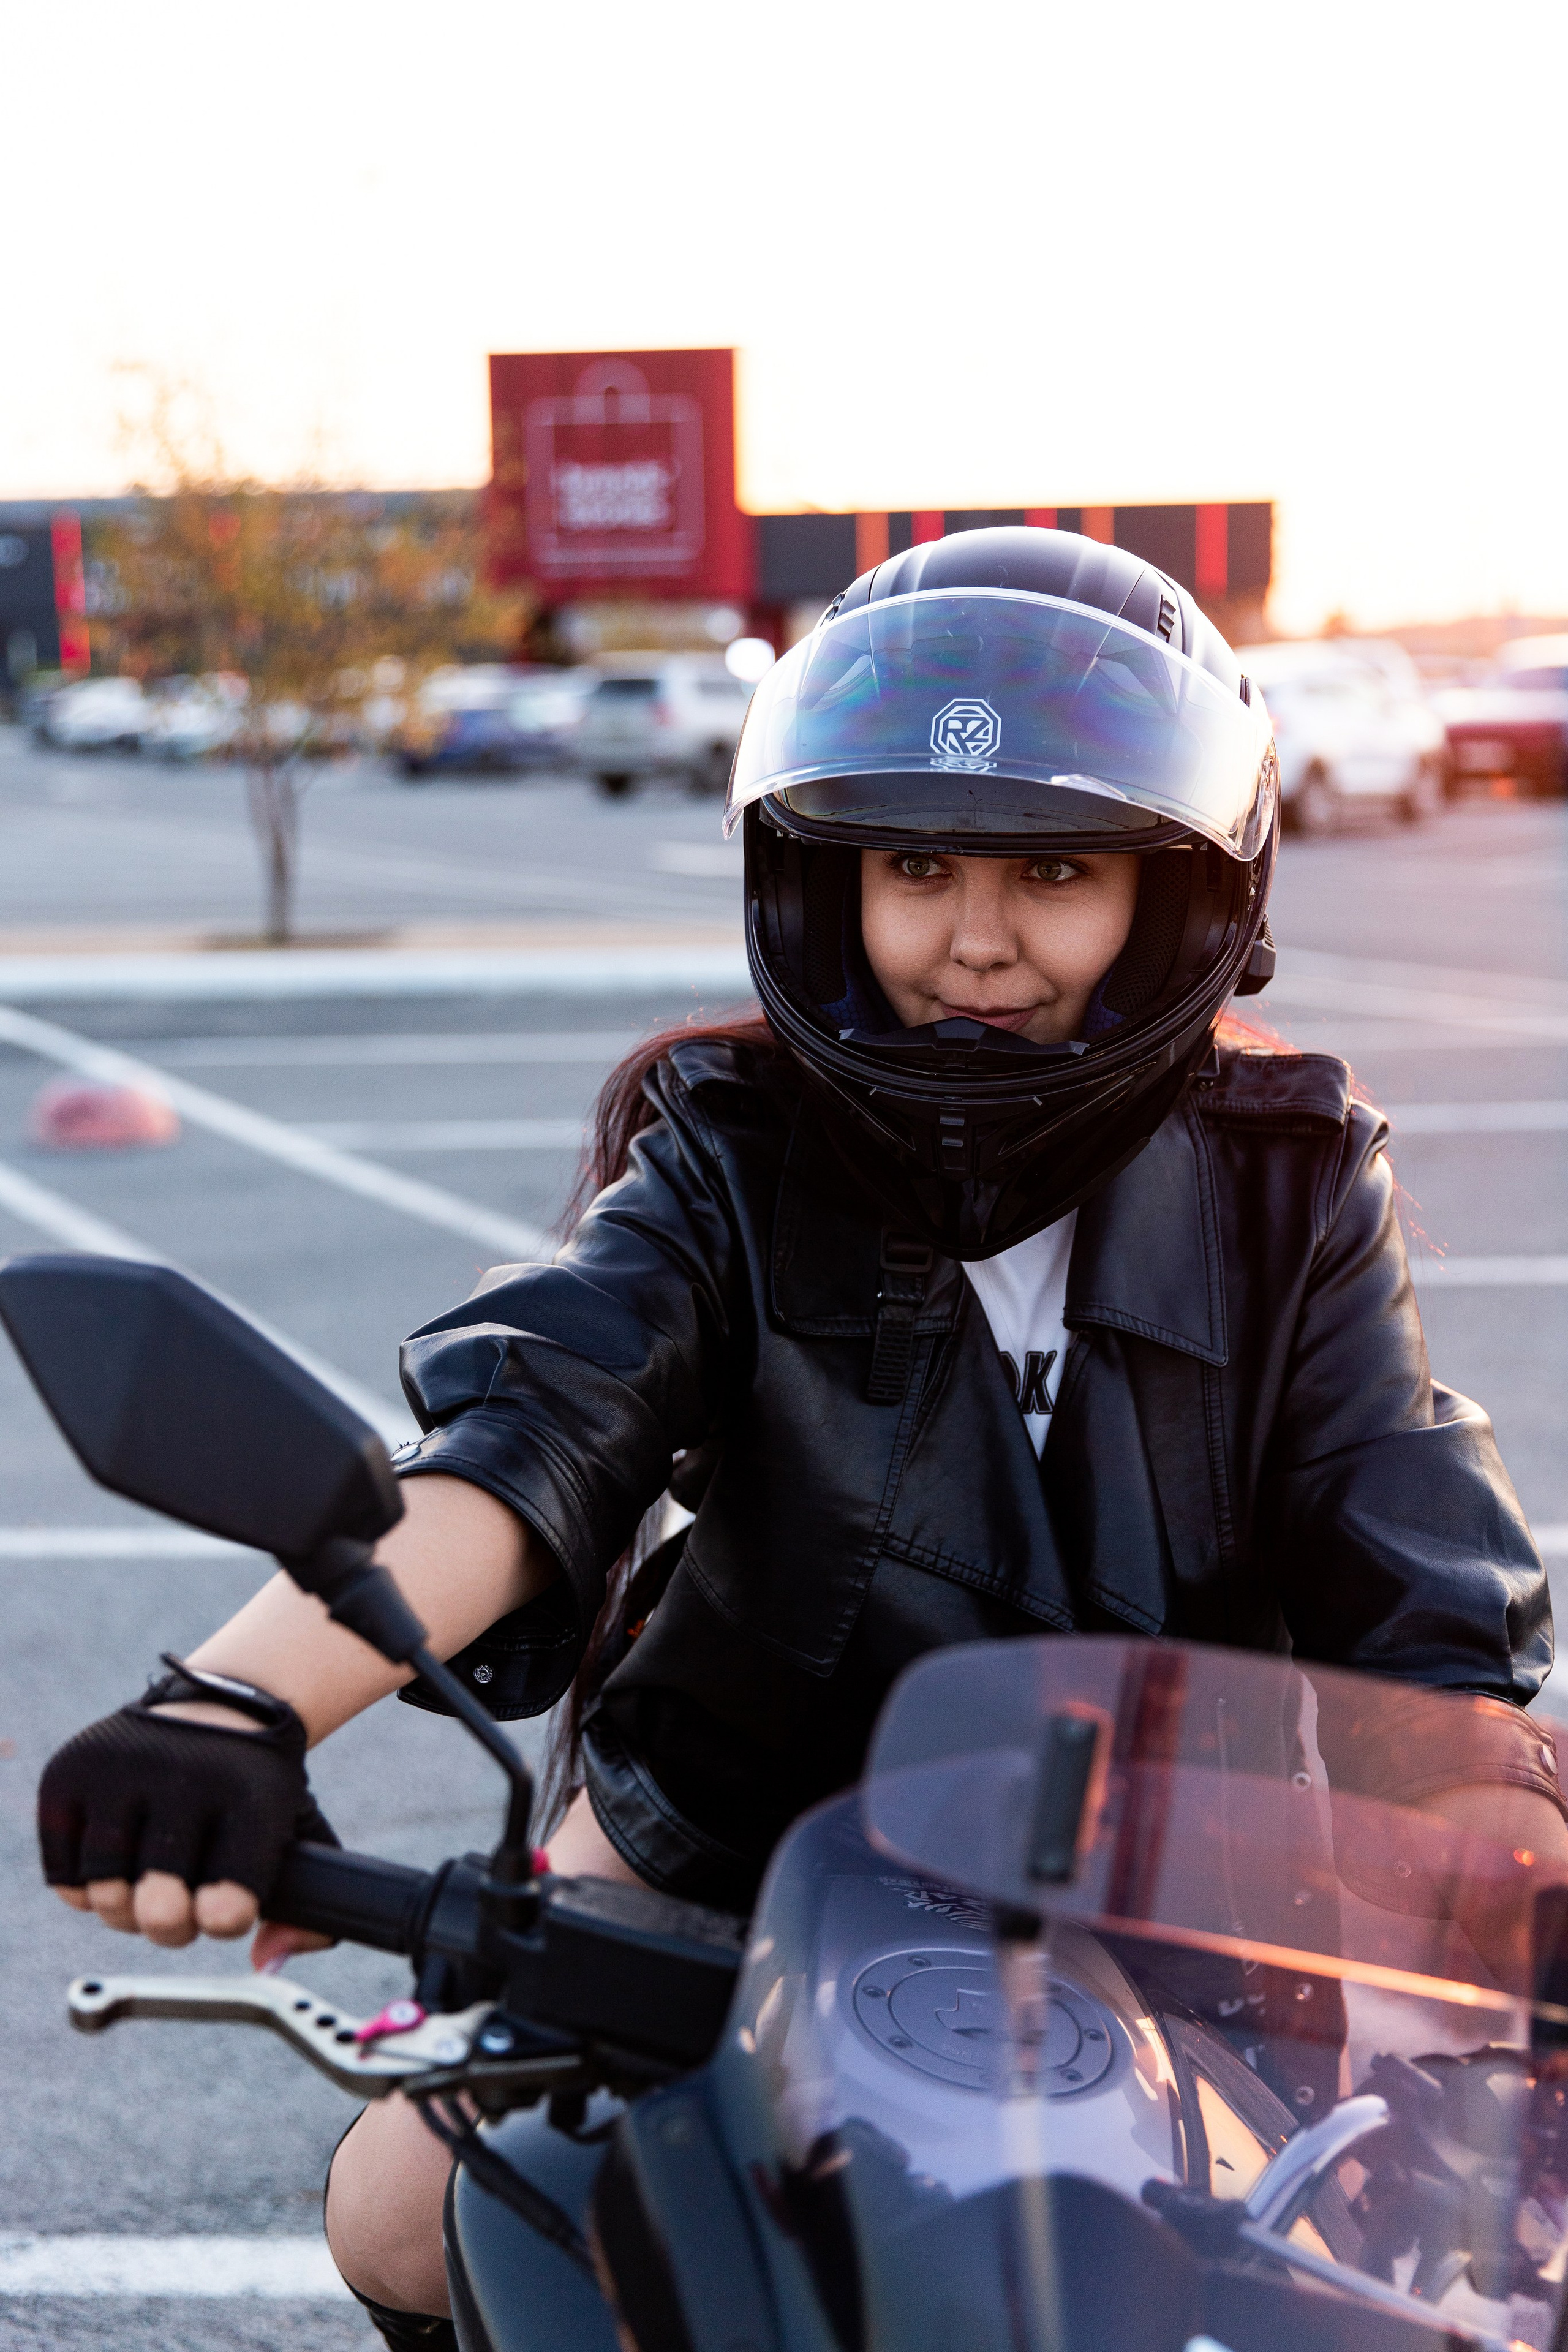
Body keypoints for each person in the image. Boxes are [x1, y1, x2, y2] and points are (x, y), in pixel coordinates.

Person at [37, 528, 1567, 2344]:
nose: (974, 942)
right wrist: (235, 1706)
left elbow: (1419, 1576)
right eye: (915, 864)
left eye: (1054, 871)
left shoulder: (1292, 1179)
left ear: (1177, 900)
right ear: (819, 877)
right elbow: (536, 1434)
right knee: (412, 2205)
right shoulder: (730, 1150)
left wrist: (1486, 1906)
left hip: (1170, 1887)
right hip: (739, 1848)